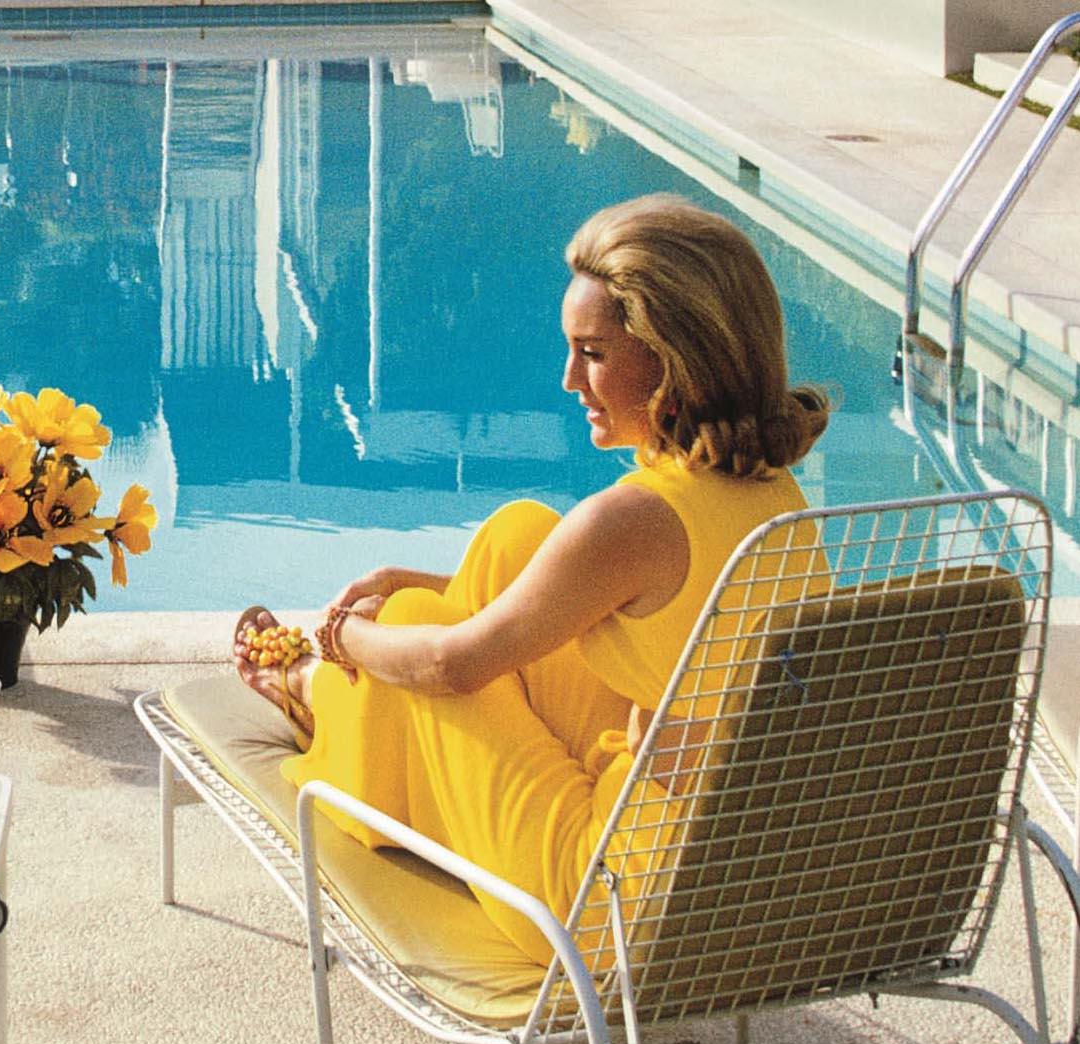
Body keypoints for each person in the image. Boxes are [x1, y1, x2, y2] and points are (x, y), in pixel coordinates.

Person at [234, 194, 829, 967]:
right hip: (724, 864)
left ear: (675, 358)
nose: (568, 378)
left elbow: (453, 664)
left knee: (419, 628)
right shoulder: (772, 496)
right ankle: (362, 714)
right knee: (518, 536)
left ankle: (318, 690)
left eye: (594, 352)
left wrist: (339, 635)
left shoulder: (636, 521)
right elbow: (573, 589)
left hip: (604, 899)